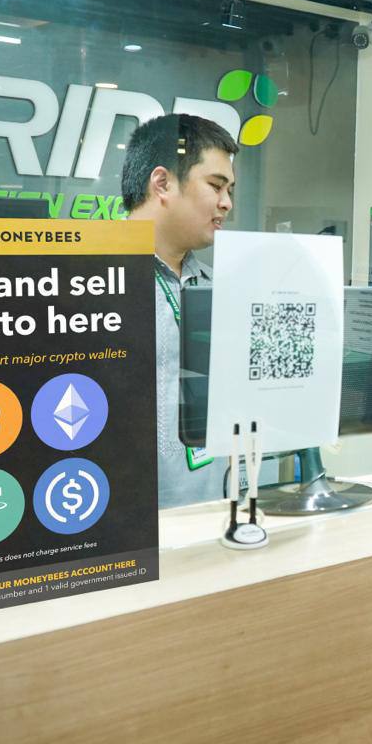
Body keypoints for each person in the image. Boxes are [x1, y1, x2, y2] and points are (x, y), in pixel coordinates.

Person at [121, 113, 239, 508]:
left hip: (217, 509)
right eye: (215, 186)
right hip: (126, 520)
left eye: (230, 190)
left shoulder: (219, 289)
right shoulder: (91, 286)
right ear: (162, 183)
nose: (226, 202)